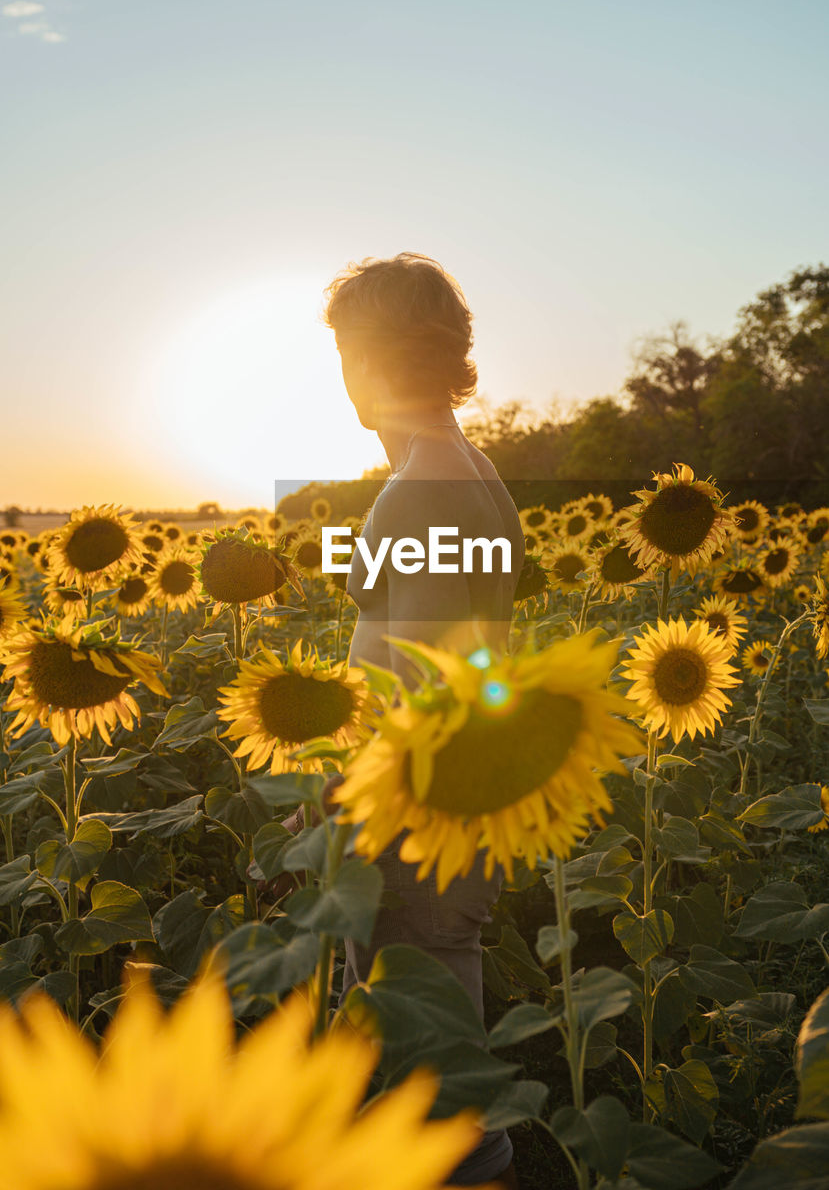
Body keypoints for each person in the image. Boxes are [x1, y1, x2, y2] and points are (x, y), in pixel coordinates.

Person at [322, 252, 525, 1189]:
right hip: (451, 806)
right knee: (434, 1057)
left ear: (369, 361)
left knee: (431, 1092)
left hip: (413, 820)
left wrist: (329, 802)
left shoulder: (426, 489)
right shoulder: (470, 470)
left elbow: (425, 693)